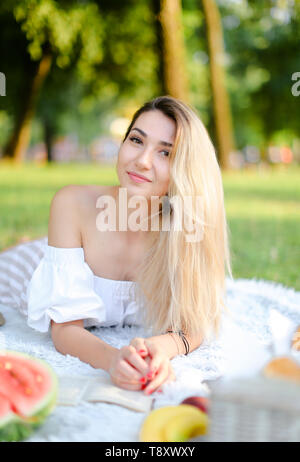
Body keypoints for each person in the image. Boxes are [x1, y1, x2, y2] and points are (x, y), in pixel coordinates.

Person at [0, 95, 232, 395]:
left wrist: (156, 348)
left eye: (166, 153)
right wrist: (113, 359)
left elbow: (193, 322)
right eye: (137, 140)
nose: (142, 160)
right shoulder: (72, 203)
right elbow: (66, 328)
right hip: (27, 267)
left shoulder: (184, 228)